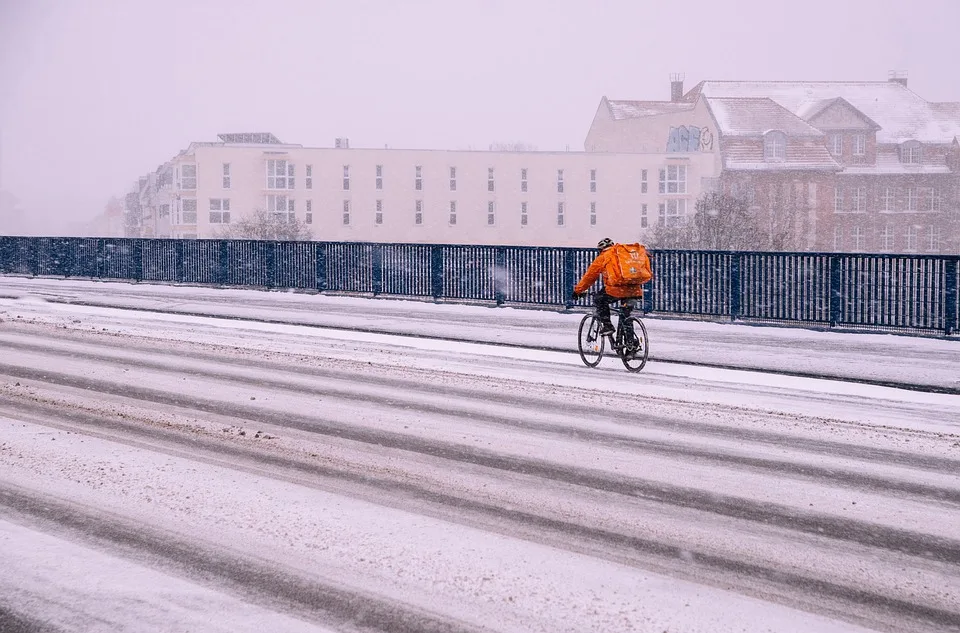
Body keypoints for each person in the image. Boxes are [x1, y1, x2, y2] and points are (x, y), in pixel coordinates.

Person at [572, 237, 648, 336]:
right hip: (635, 290)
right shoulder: (624, 255)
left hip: (617, 290)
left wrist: (578, 291)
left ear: (600, 249)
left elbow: (590, 276)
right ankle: (631, 344)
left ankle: (607, 326)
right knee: (625, 315)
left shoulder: (604, 256)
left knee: (599, 299)